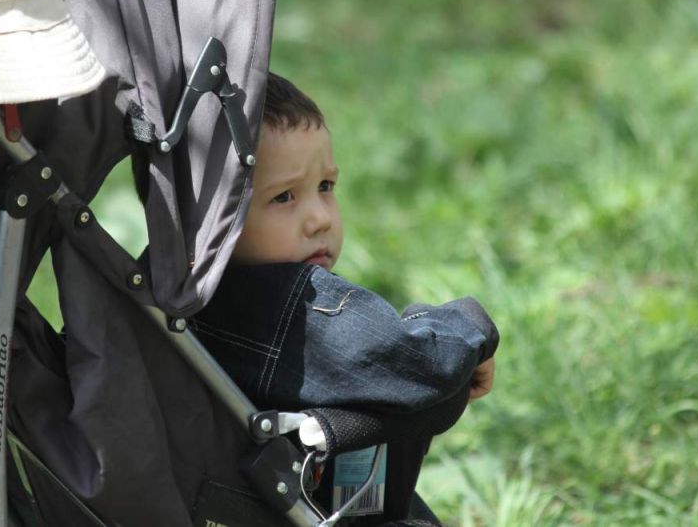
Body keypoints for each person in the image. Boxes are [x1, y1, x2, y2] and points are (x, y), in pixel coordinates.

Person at [191, 73, 498, 416]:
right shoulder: (289, 307)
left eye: (325, 186)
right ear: (213, 217)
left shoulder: (175, 299)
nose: (321, 219)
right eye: (283, 196)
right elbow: (418, 365)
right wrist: (470, 330)